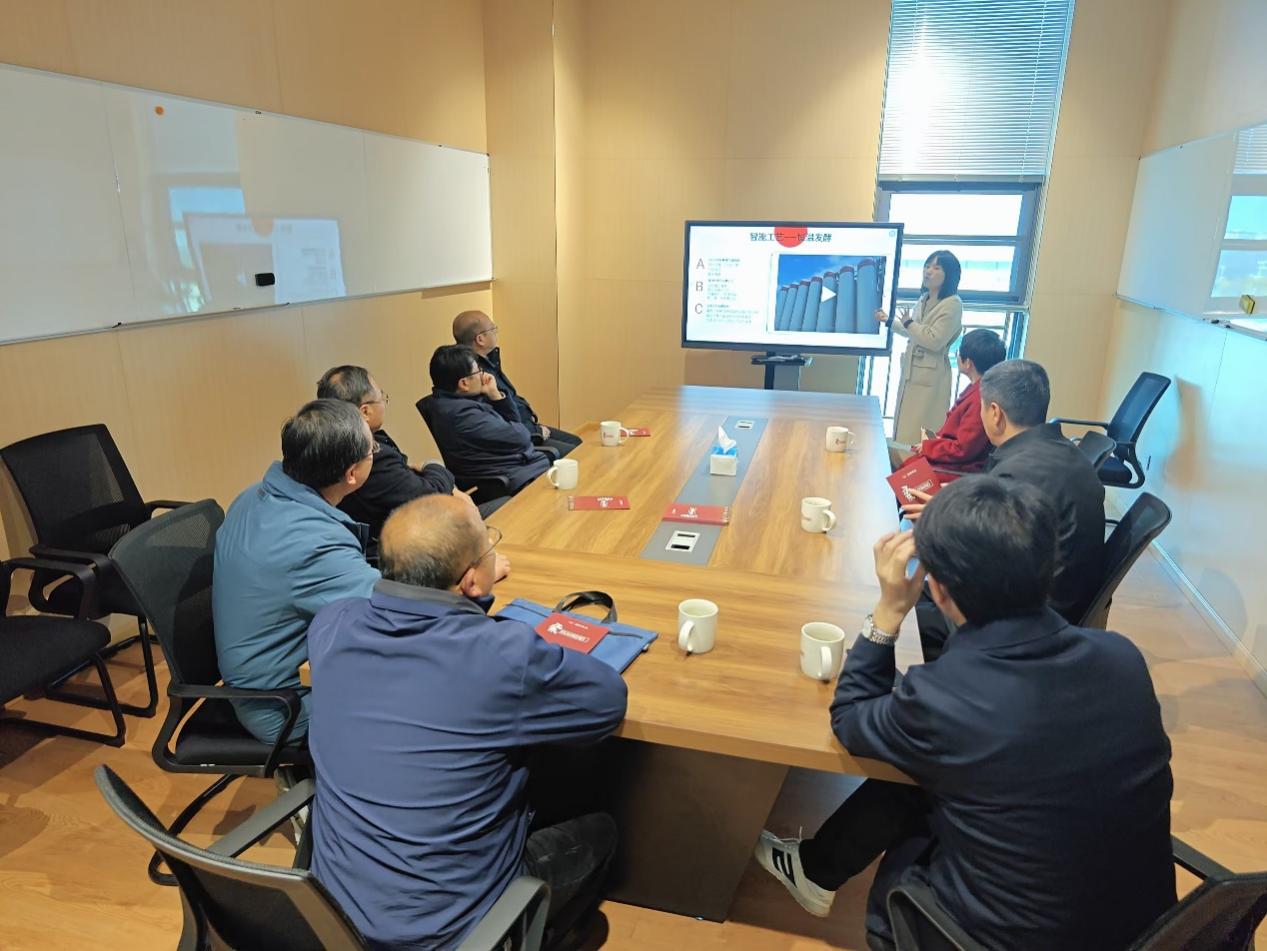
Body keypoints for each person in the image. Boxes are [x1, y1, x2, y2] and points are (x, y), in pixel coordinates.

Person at [755, 476, 1176, 950]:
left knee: (916, 778)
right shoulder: (1123, 658)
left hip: (993, 940)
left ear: (937, 588)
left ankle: (820, 875)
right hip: (1148, 934)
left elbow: (850, 719)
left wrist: (889, 610)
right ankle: (816, 869)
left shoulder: (945, 700)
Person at [307, 493, 628, 949]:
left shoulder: (332, 625)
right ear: (472, 579)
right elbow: (608, 701)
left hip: (330, 919)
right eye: (489, 545)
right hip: (451, 934)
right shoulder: (502, 656)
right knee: (602, 829)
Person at [213, 398, 380, 744]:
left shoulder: (253, 495)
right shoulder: (313, 542)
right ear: (352, 474)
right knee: (425, 685)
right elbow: (389, 613)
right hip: (286, 706)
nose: (375, 453)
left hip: (264, 678)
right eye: (372, 449)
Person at [316, 365, 456, 539]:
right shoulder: (368, 457)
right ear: (365, 412)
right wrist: (432, 465)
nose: (384, 402)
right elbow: (430, 497)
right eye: (381, 396)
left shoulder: (326, 446)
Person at [417, 344, 552, 494]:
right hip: (511, 476)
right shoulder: (463, 415)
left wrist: (496, 396)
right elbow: (521, 437)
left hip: (515, 466)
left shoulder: (452, 401)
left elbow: (514, 426)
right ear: (464, 383)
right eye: (478, 371)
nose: (483, 375)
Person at [453, 309, 582, 458]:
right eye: (493, 329)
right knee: (576, 453)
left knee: (577, 442)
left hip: (525, 426)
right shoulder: (476, 375)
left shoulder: (487, 361)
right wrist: (535, 432)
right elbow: (499, 422)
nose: (496, 333)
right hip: (518, 438)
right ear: (480, 339)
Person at [887, 328, 1007, 477]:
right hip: (949, 459)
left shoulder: (980, 399)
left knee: (896, 475)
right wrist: (933, 443)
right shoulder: (981, 389)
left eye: (959, 353)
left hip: (956, 469)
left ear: (968, 363)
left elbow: (963, 449)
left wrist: (929, 447)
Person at [877, 250, 964, 446]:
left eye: (936, 267)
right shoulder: (924, 298)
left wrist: (909, 323)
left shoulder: (952, 304)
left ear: (949, 274)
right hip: (912, 371)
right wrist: (889, 321)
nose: (928, 271)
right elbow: (913, 331)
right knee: (905, 426)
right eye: (927, 266)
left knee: (922, 428)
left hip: (931, 374)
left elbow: (934, 339)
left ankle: (917, 464)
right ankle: (902, 462)